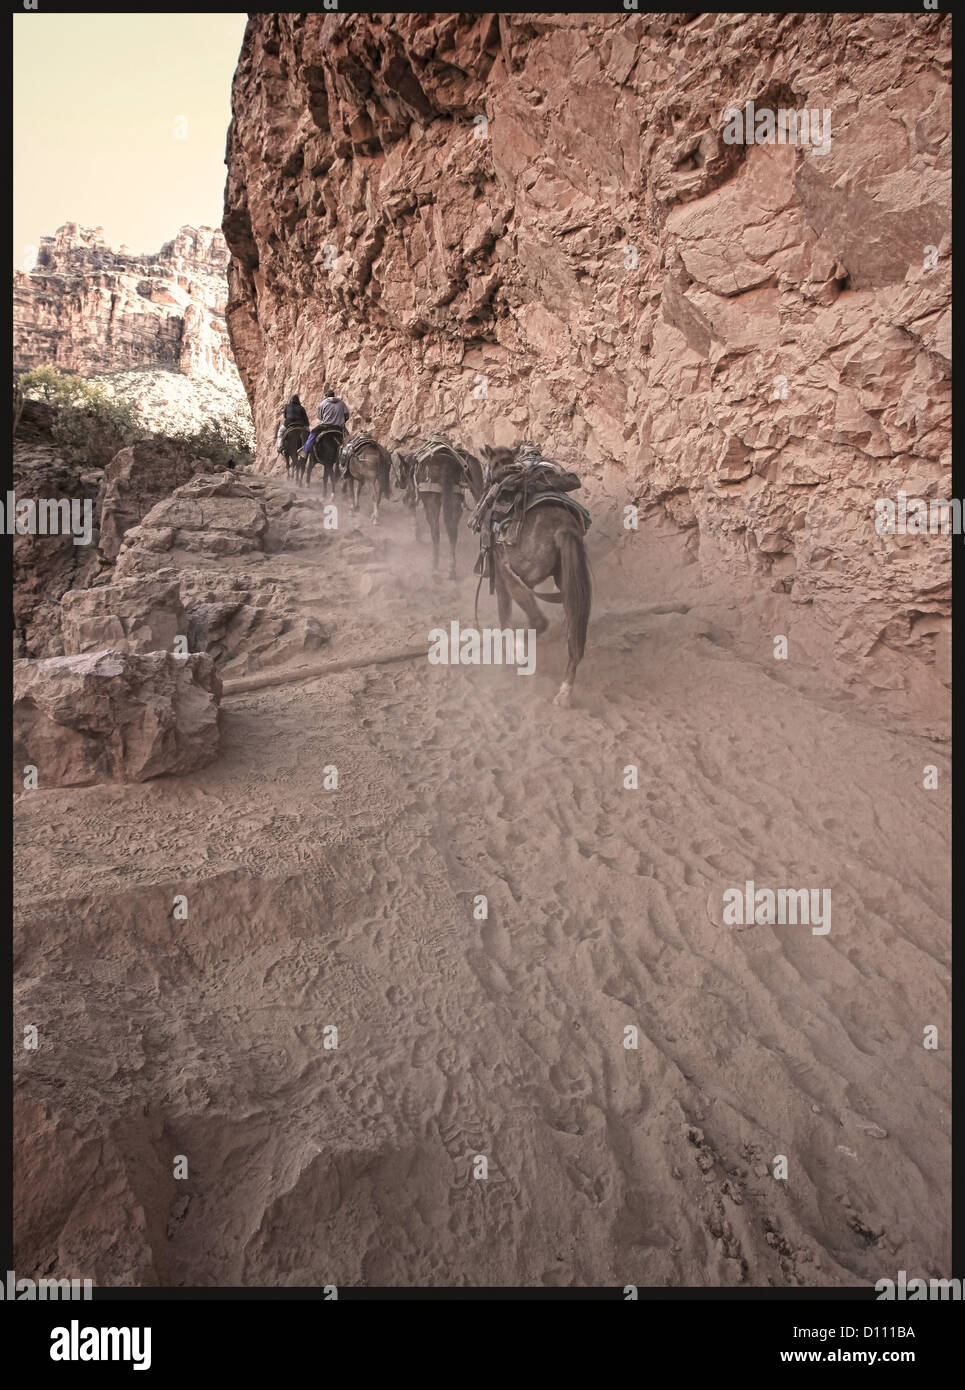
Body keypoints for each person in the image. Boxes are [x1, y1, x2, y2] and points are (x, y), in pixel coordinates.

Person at [301, 387, 350, 459]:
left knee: (313, 433)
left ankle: (305, 451)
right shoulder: (341, 403)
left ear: (327, 396)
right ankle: (348, 454)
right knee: (347, 437)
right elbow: (347, 415)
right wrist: (341, 421)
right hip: (338, 427)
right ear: (334, 395)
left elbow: (320, 417)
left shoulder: (323, 403)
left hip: (326, 426)